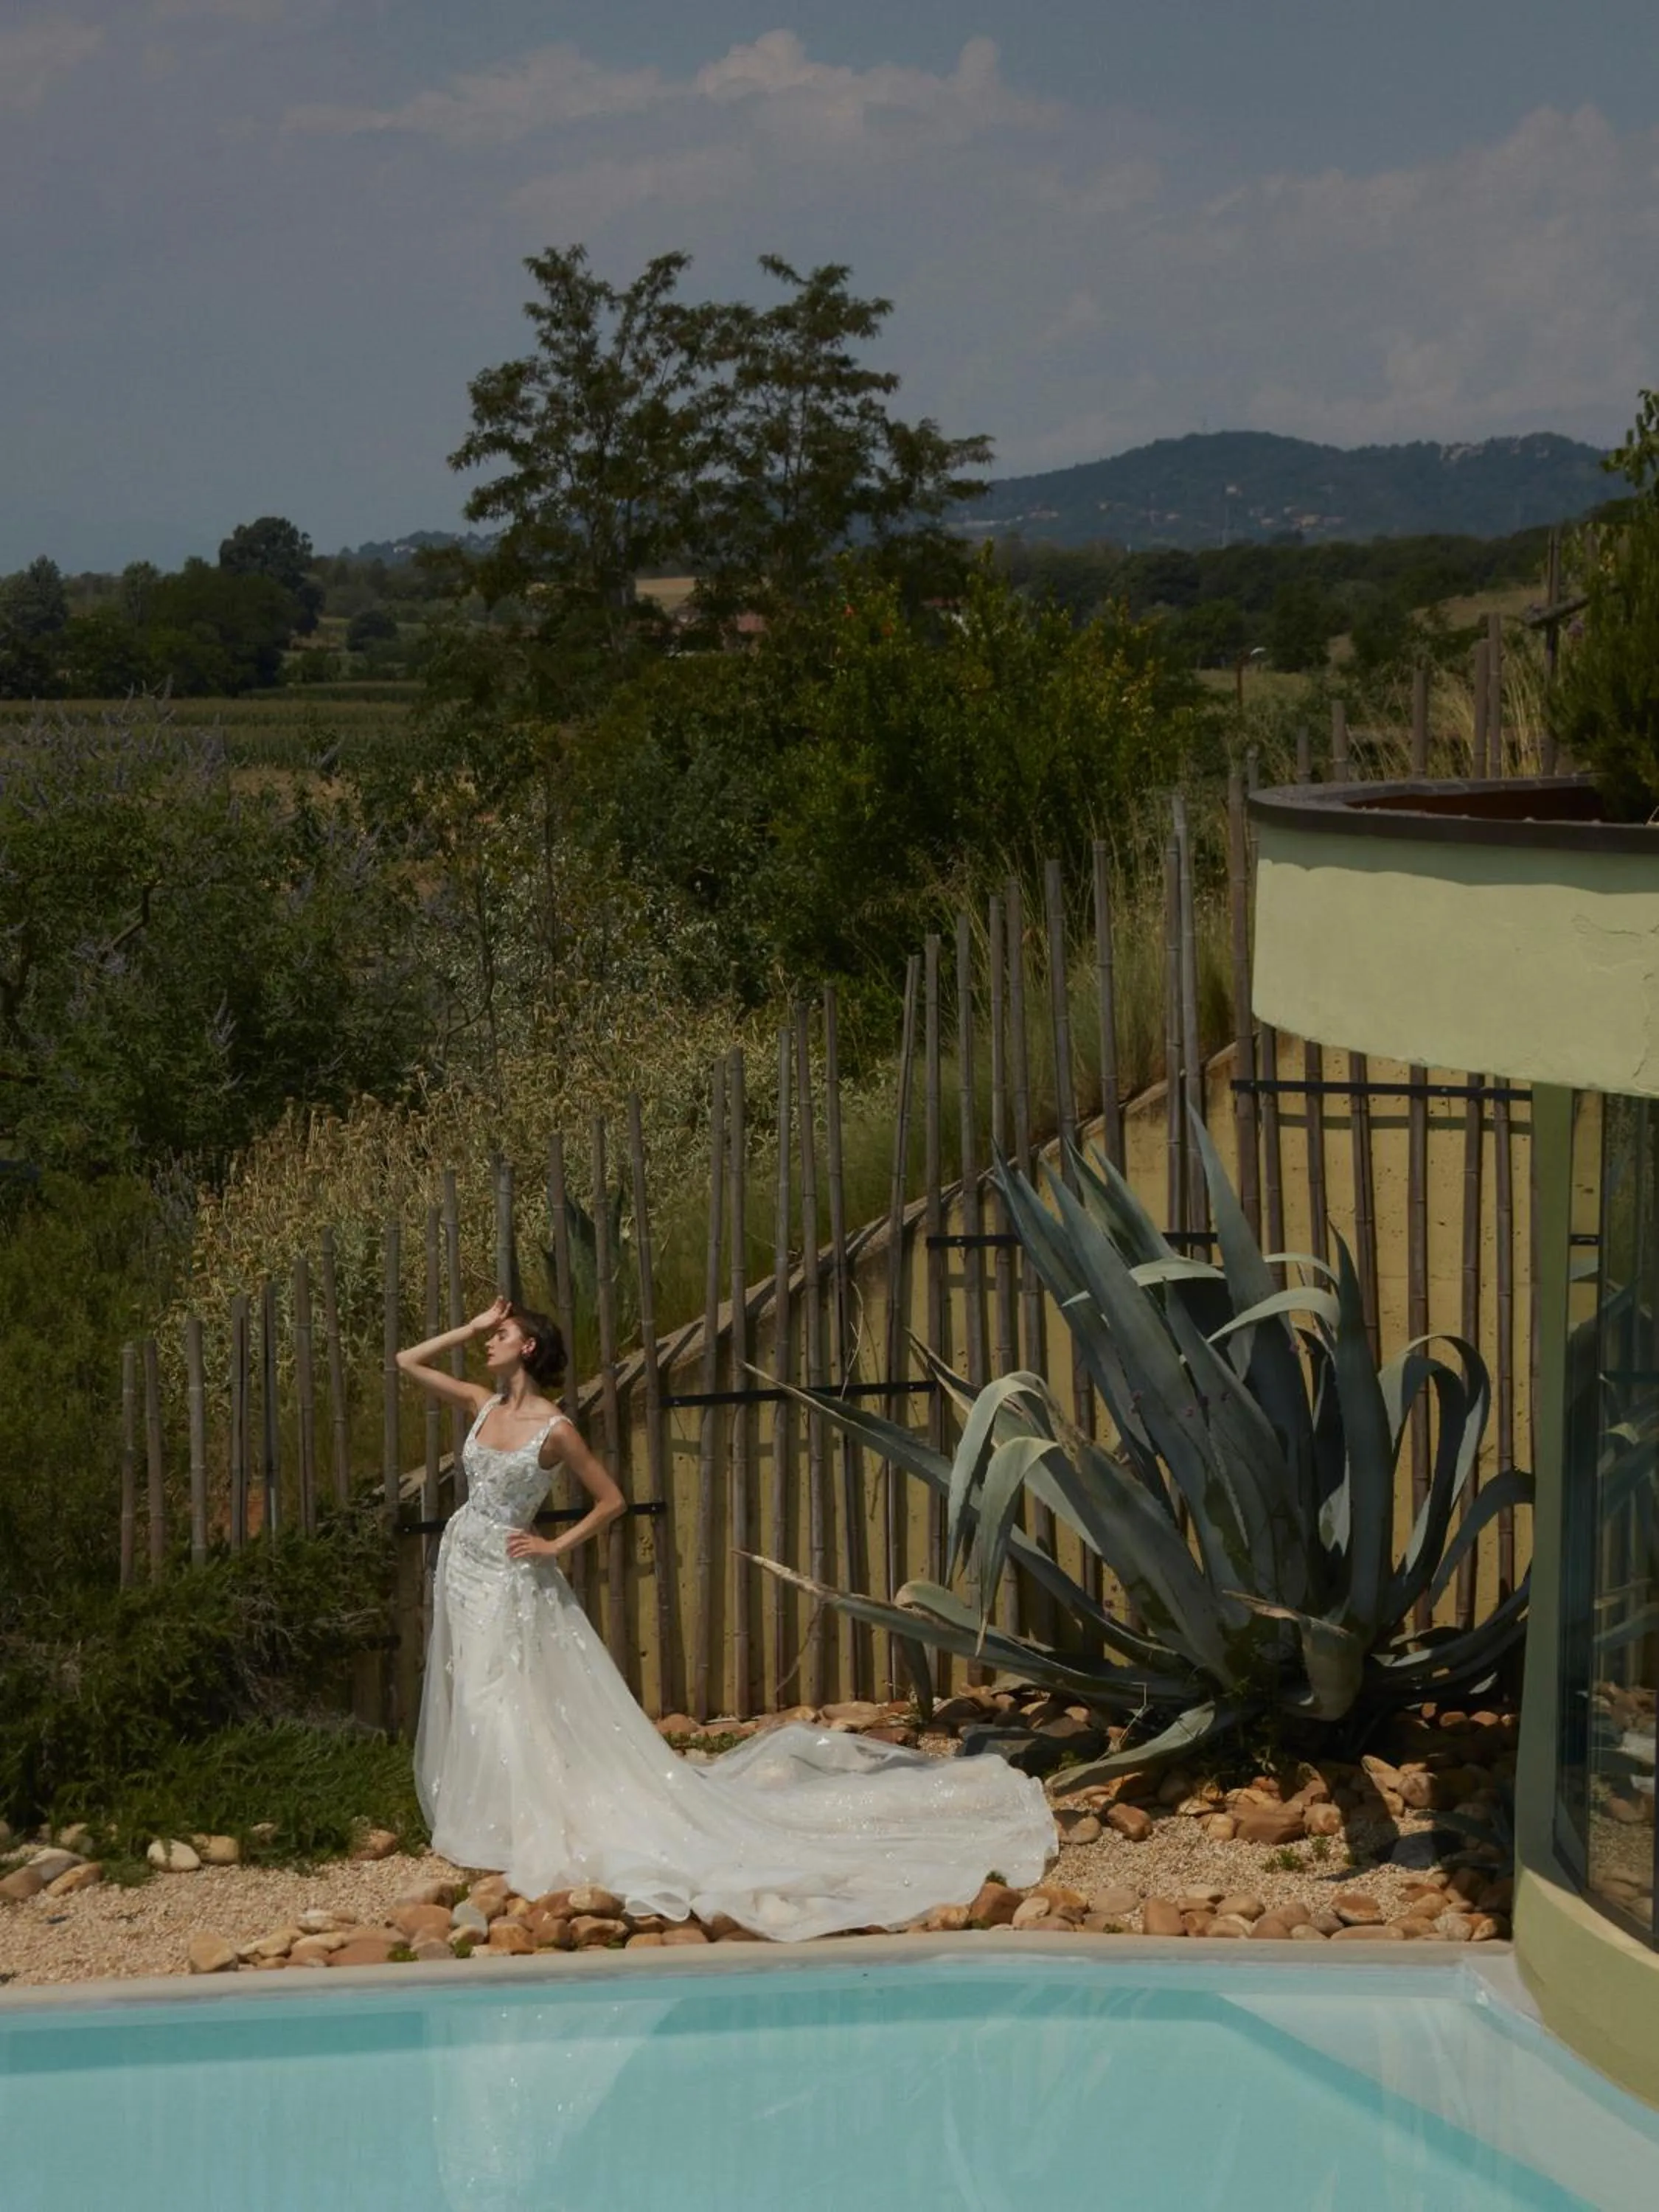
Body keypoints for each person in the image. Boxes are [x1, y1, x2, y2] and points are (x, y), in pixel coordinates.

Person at [400, 1295, 1054, 1941]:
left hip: (513, 1571)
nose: (489, 1343)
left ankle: (528, 1823)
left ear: (528, 1348)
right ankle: (496, 1816)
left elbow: (612, 1501)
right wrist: (472, 1324)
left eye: (501, 1333)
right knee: (479, 1691)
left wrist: (553, 1545)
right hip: (464, 1561)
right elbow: (406, 1360)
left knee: (503, 1695)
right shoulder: (479, 1404)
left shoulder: (555, 1428)